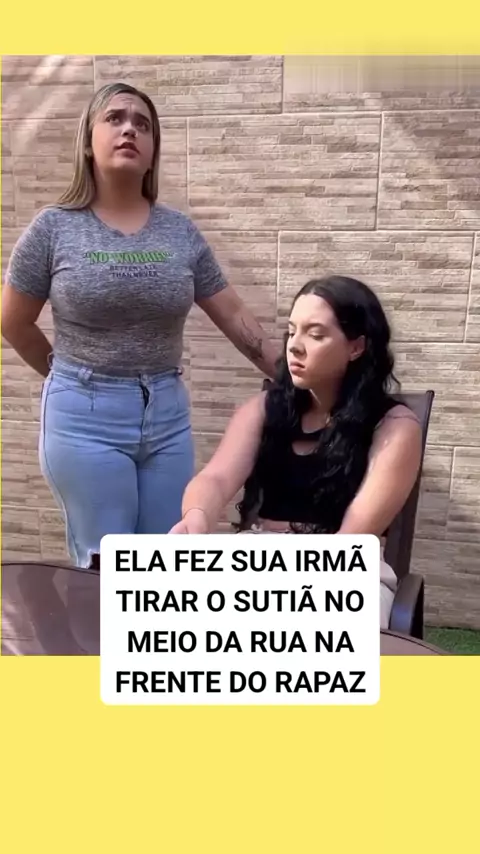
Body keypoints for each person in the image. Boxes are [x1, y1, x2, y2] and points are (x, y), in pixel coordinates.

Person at [2, 82, 279, 568]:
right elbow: (13, 321)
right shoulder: (53, 228)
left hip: (167, 417)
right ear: (88, 142)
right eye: (115, 118)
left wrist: (295, 378)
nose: (129, 129)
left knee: (165, 564)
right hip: (85, 420)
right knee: (109, 568)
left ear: (152, 151)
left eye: (143, 124)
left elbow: (234, 314)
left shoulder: (178, 231)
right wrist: (68, 379)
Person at [169, 275, 423, 629]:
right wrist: (197, 516)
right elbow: (216, 477)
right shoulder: (264, 409)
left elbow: (352, 537)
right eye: (292, 332)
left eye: (315, 335)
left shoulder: (395, 427)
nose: (295, 346)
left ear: (356, 347)